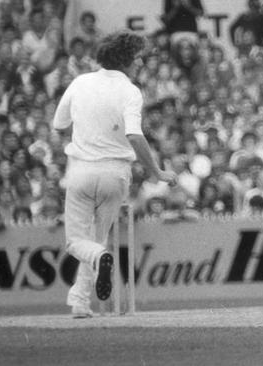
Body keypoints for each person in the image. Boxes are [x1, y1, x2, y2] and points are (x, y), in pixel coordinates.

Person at [53, 31, 177, 318]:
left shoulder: (81, 81)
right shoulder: (130, 91)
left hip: (81, 170)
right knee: (95, 242)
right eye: (138, 59)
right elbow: (134, 135)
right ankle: (80, 303)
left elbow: (59, 123)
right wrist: (156, 171)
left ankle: (88, 283)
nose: (141, 64)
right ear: (125, 60)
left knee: (79, 243)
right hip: (115, 175)